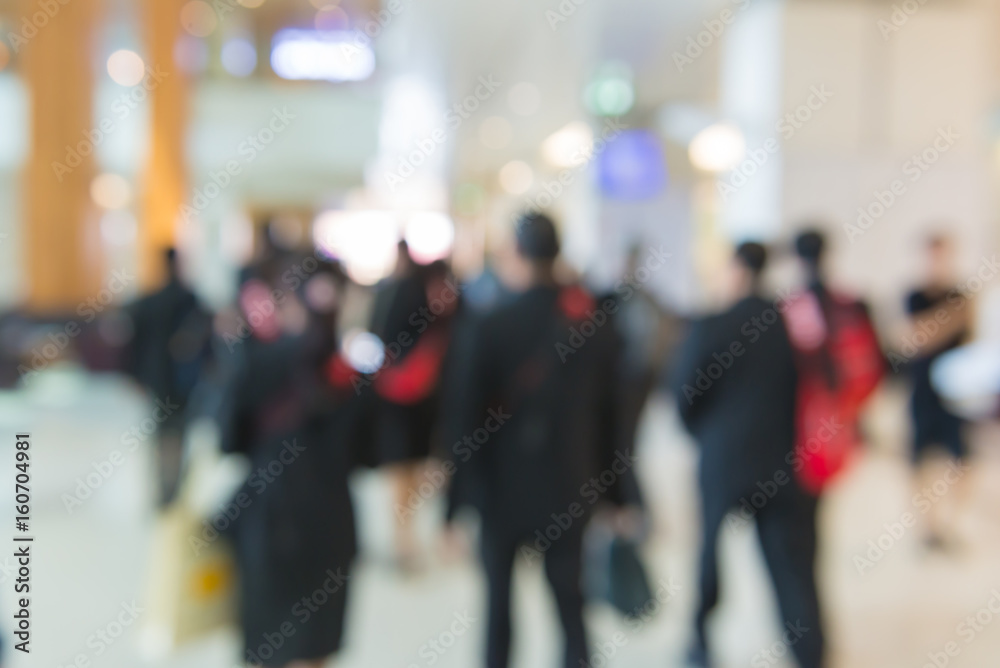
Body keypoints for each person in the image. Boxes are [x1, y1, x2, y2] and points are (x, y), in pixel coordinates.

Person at [444, 212, 634, 668]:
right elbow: (615, 420)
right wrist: (619, 494)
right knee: (571, 605)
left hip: (500, 490)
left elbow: (463, 423)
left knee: (498, 610)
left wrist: (453, 507)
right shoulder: (594, 327)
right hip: (569, 485)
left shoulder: (489, 326)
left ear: (516, 252)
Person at [672, 242, 824, 668]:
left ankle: (700, 642)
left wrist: (704, 435)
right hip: (780, 460)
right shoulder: (790, 325)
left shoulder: (712, 324)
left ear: (737, 270)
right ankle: (809, 650)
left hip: (722, 460)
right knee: (789, 564)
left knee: (708, 555)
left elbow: (684, 395)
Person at [221, 257, 360, 668]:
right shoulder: (350, 372)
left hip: (270, 513)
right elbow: (367, 451)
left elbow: (230, 439)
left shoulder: (257, 361)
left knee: (271, 641)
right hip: (330, 520)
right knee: (317, 644)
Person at [368, 241, 450, 569]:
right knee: (410, 467)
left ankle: (402, 539)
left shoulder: (394, 292)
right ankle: (405, 537)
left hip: (398, 395)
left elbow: (377, 336)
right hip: (421, 395)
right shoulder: (425, 295)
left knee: (401, 468)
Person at [124, 247, 211, 506]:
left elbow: (134, 345)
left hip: (160, 380)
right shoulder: (190, 300)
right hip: (181, 381)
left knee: (163, 434)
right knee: (178, 433)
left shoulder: (151, 301)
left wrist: (137, 375)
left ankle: (165, 488)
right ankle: (173, 490)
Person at [904, 234, 973, 549]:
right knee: (919, 463)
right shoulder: (914, 295)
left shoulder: (960, 293)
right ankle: (927, 529)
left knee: (961, 461)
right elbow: (918, 337)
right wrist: (952, 317)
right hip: (922, 390)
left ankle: (949, 525)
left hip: (955, 391)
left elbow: (968, 337)